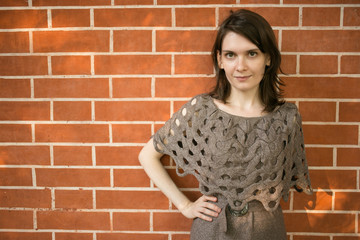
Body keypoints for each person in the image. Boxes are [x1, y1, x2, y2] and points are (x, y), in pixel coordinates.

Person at [139, 9, 312, 240]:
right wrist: (185, 206)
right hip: (212, 229)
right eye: (231, 55)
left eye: (252, 54)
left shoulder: (287, 117)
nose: (240, 66)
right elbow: (147, 155)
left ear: (268, 58)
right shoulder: (201, 110)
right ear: (220, 59)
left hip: (267, 231)